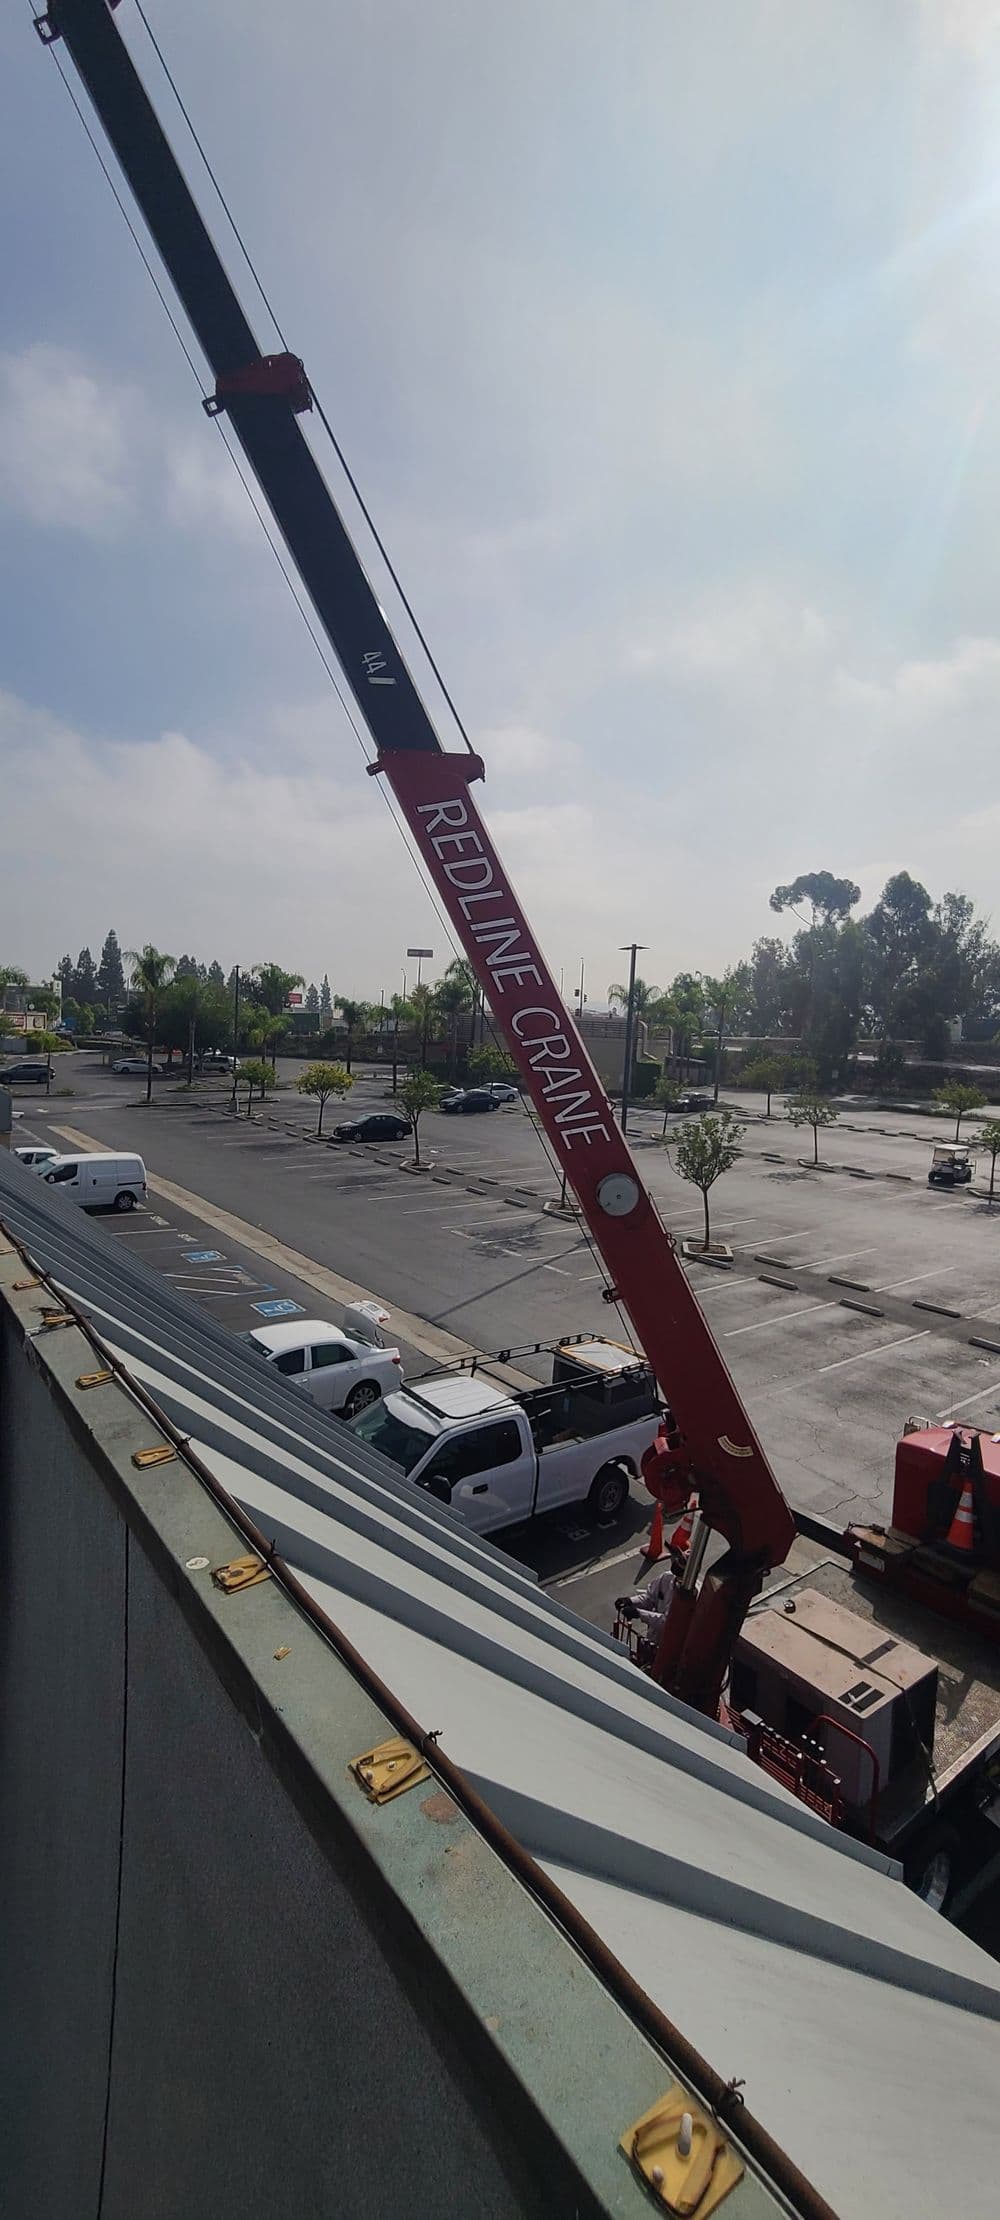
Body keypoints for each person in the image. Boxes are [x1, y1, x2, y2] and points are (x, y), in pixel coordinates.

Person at [615, 1546, 686, 1649]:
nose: (676, 1560)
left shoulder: (690, 1597)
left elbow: (667, 1623)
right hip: (653, 1639)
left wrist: (639, 1614)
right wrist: (630, 1601)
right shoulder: (667, 1578)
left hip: (670, 1647)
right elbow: (650, 1598)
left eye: (681, 1561)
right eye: (678, 1558)